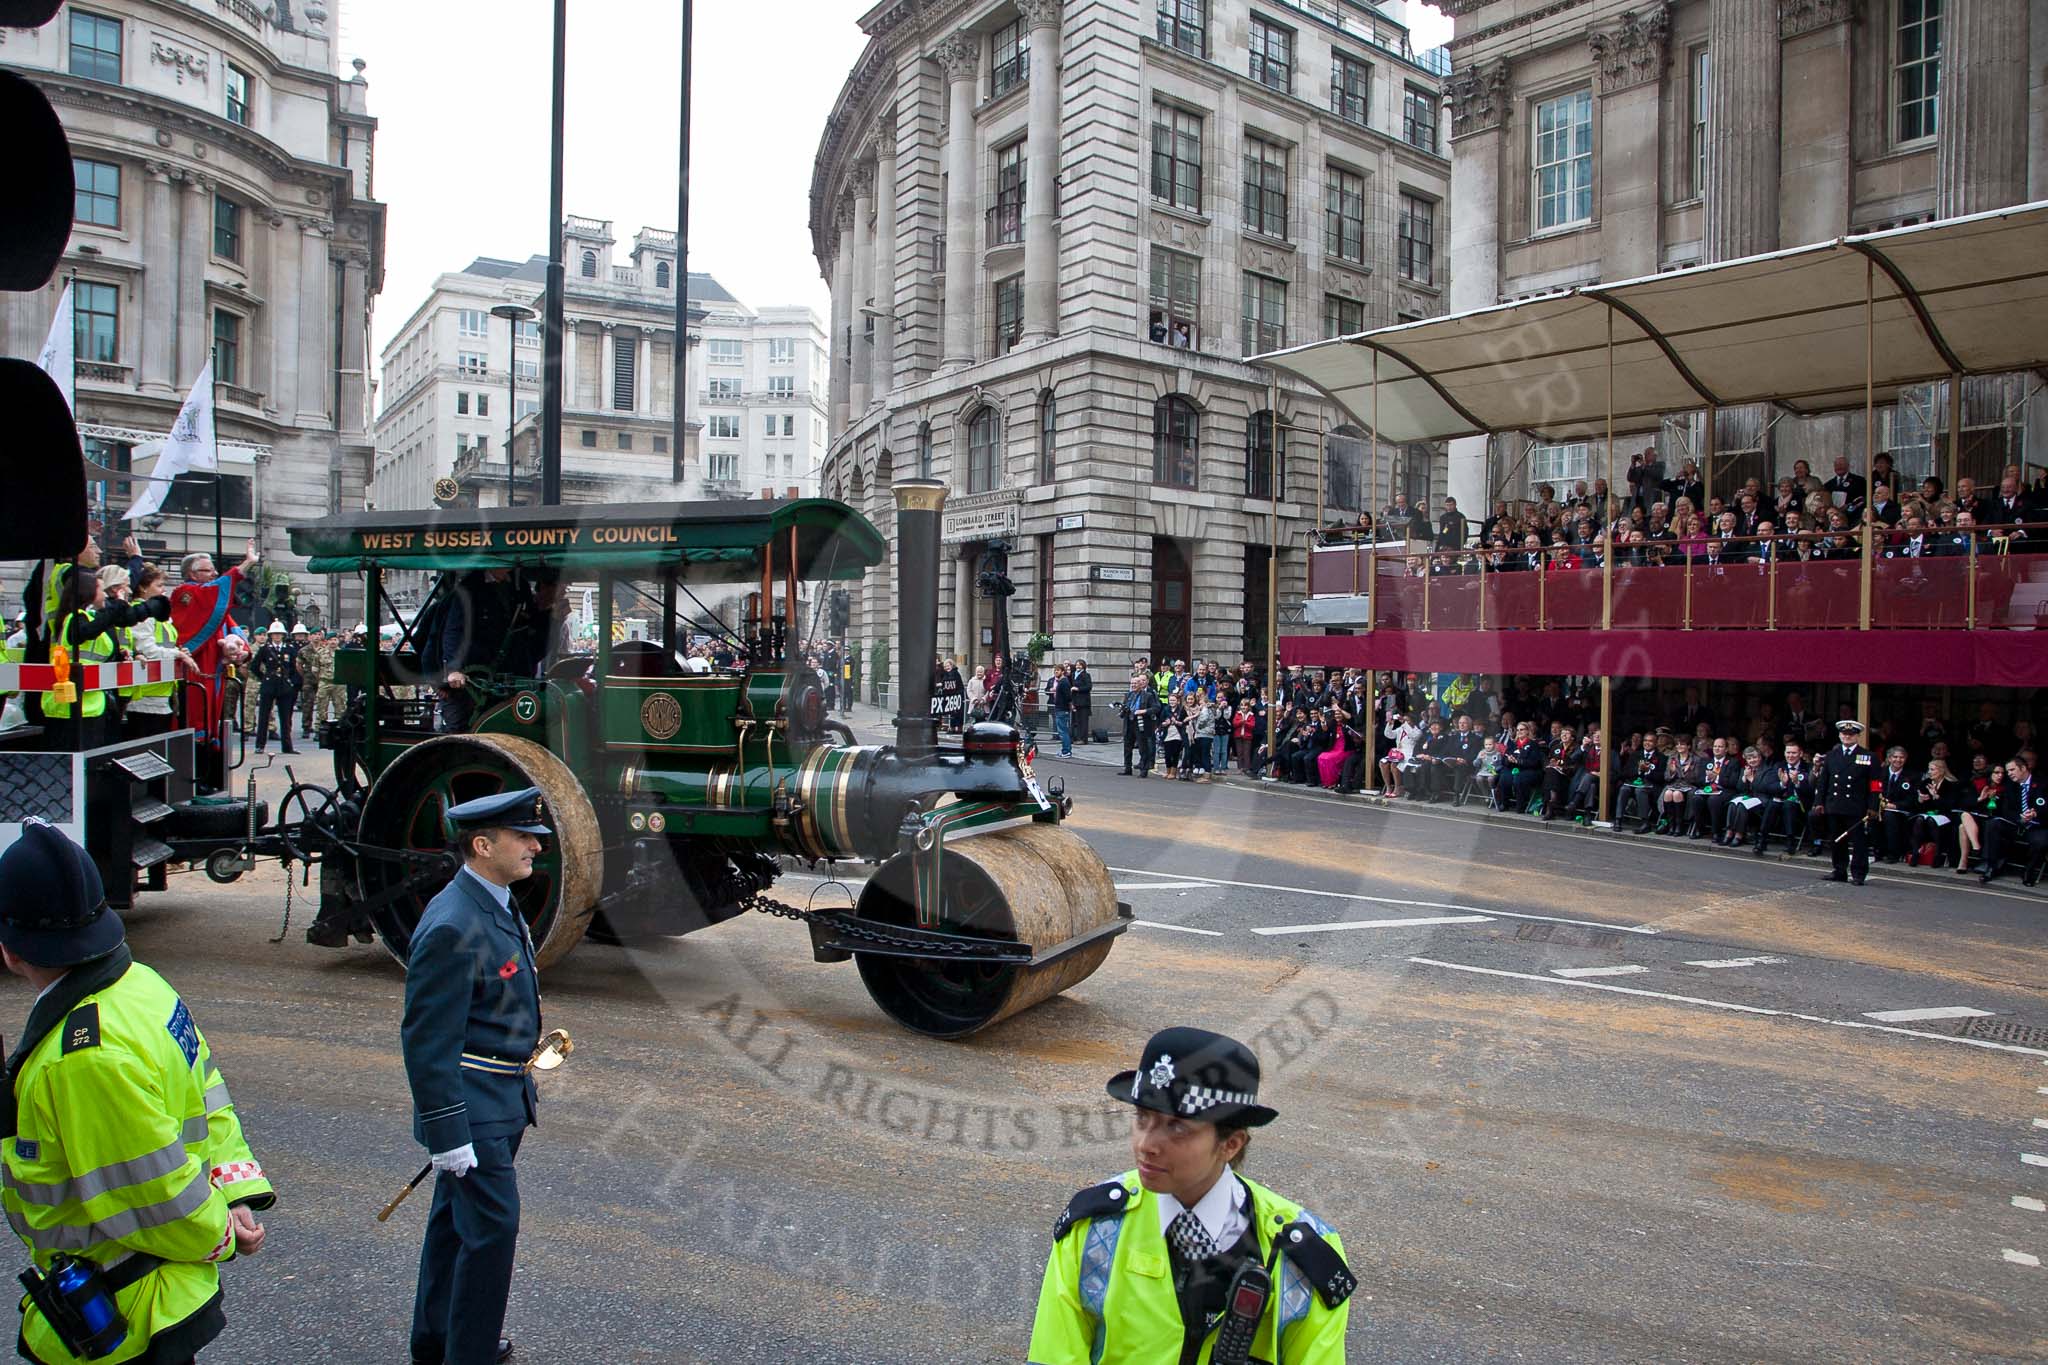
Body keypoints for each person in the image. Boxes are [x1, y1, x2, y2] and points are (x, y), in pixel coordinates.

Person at [0, 821, 273, 1365]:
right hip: (165, 1296)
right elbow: (207, 1093)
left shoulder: (79, 1058)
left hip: (128, 1314)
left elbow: (148, 1190)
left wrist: (219, 1234)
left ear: (10, 950)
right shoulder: (141, 985)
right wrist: (235, 1188)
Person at [1027, 1027, 1352, 1365]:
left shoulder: (1300, 1255)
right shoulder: (1094, 1228)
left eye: (1177, 1127)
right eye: (1142, 1117)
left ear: (1231, 1144)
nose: (1146, 1145)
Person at [403, 788, 552, 1365]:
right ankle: (468, 1354)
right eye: (523, 837)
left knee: (452, 1227)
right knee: (492, 1231)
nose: (535, 846)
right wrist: (448, 1134)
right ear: (483, 844)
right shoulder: (452, 924)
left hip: (499, 1098)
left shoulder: (491, 898)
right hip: (473, 1109)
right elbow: (426, 1040)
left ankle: (436, 1342)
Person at [1814, 720, 1880, 885]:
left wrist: (1873, 806)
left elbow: (1875, 784)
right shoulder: (1832, 755)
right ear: (1839, 735)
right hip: (1834, 804)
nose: (1847, 737)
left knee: (1858, 842)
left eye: (1851, 734)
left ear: (1857, 736)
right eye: (1844, 734)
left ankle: (1858, 873)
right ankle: (1839, 870)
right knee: (1837, 840)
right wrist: (1819, 802)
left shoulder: (1868, 756)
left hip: (1856, 806)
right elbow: (1824, 781)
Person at [1978, 756, 2048, 886]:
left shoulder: (2043, 782)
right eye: (2008, 771)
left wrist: (2035, 813)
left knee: (2041, 841)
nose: (2009, 774)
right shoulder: (2010, 786)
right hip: (2016, 823)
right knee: (1994, 824)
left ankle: (2028, 872)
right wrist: (2020, 817)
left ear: (2023, 768)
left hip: (2036, 824)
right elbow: (2007, 810)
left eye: (2012, 770)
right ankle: (1992, 867)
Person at [250, 625, 299, 754]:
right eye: (274, 634)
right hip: (269, 685)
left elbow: (294, 668)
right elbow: (254, 666)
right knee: (264, 716)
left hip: (284, 685)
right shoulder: (265, 649)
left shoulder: (289, 649)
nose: (277, 636)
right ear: (271, 635)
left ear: (283, 635)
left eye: (279, 634)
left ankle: (287, 746)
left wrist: (292, 683)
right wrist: (264, 677)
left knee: (285, 717)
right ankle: (260, 745)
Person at [1119, 674, 1159, 778]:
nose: (1133, 685)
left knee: (1143, 747)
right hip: (1129, 723)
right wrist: (1122, 710)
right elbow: (1123, 709)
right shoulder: (1128, 695)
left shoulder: (1148, 695)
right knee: (1127, 747)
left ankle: (1144, 769)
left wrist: (1143, 711)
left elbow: (1156, 708)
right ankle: (1127, 768)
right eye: (1132, 683)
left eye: (1135, 683)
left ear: (1140, 684)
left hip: (1141, 724)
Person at [1070, 659, 1093, 745]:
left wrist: (1078, 689)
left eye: (1079, 665)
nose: (1078, 667)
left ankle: (1083, 739)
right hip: (1075, 701)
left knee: (1083, 721)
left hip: (1083, 702)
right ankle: (1076, 737)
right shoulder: (1073, 675)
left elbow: (1088, 686)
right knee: (1076, 721)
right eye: (1076, 665)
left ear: (1083, 666)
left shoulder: (1086, 675)